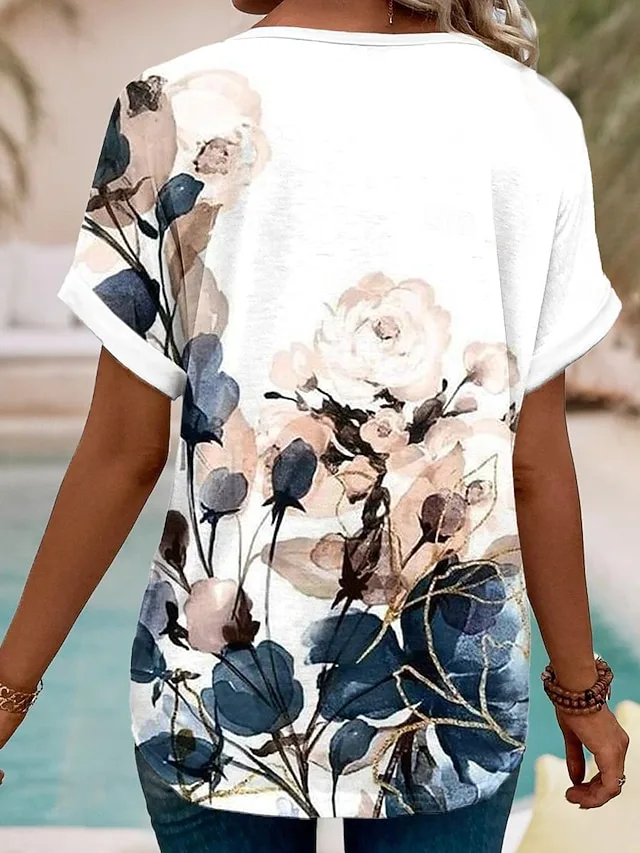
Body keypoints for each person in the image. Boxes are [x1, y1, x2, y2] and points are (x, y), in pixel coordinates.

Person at [0, 0, 631, 851]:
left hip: (211, 692)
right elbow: (537, 460)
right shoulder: (532, 115)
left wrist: (10, 685)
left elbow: (123, 452)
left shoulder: (167, 106)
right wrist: (580, 692)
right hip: (451, 707)